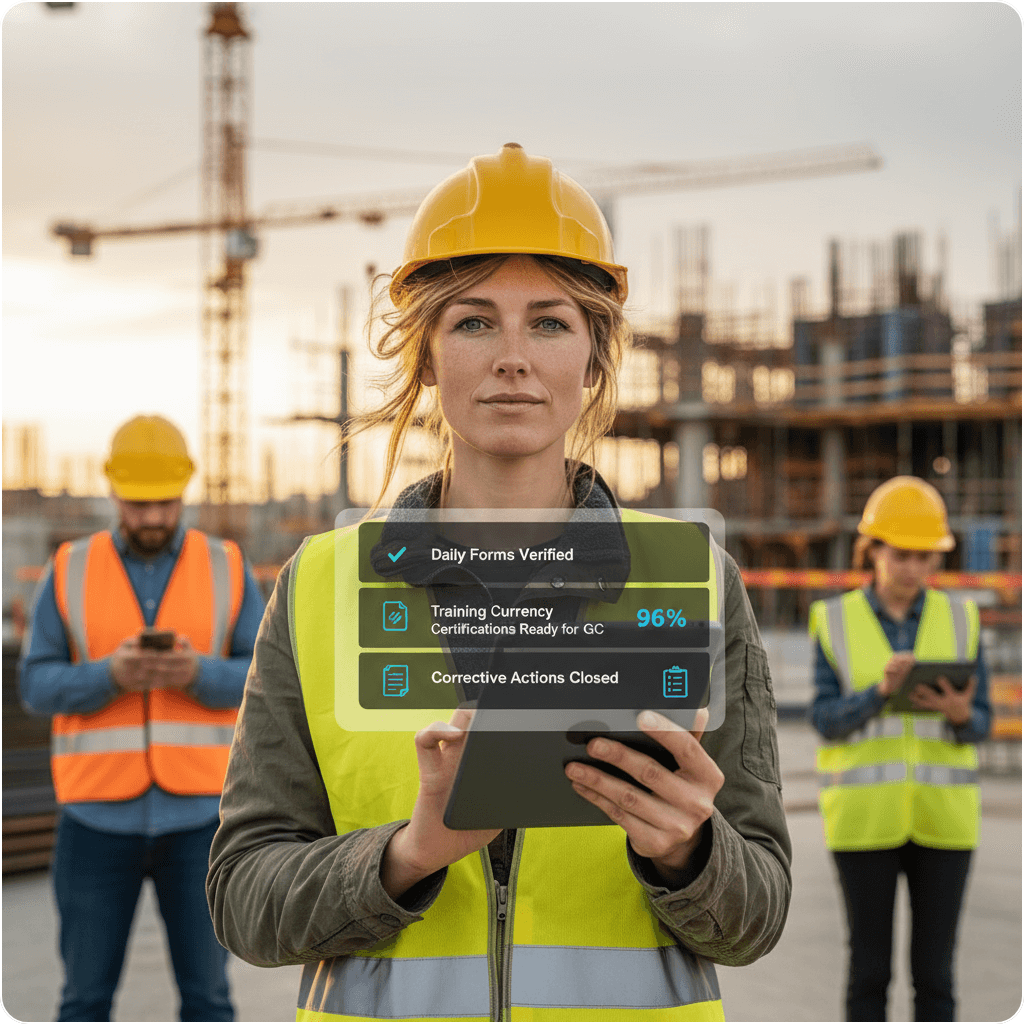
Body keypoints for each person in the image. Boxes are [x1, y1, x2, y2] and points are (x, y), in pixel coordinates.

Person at [207, 143, 791, 1021]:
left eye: (549, 323)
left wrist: (689, 851)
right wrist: (408, 853)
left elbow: (758, 914)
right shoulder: (324, 584)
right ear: (428, 357)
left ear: (593, 357)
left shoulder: (694, 581)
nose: (513, 357)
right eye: (474, 322)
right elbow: (243, 899)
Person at [20, 414, 265, 1022]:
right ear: (113, 493)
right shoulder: (68, 568)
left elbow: (266, 679)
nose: (152, 517)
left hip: (203, 822)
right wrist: (109, 676)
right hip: (93, 822)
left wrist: (198, 675)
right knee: (83, 1000)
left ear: (182, 492)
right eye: (138, 503)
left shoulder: (227, 565)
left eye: (163, 502)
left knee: (208, 1000)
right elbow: (35, 684)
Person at [809, 476, 992, 1022]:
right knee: (869, 974)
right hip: (864, 823)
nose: (912, 567)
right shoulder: (833, 620)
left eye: (924, 557)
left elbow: (981, 723)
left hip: (945, 823)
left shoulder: (963, 620)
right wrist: (880, 694)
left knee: (935, 978)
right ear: (874, 552)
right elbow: (823, 719)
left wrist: (962, 716)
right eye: (901, 554)